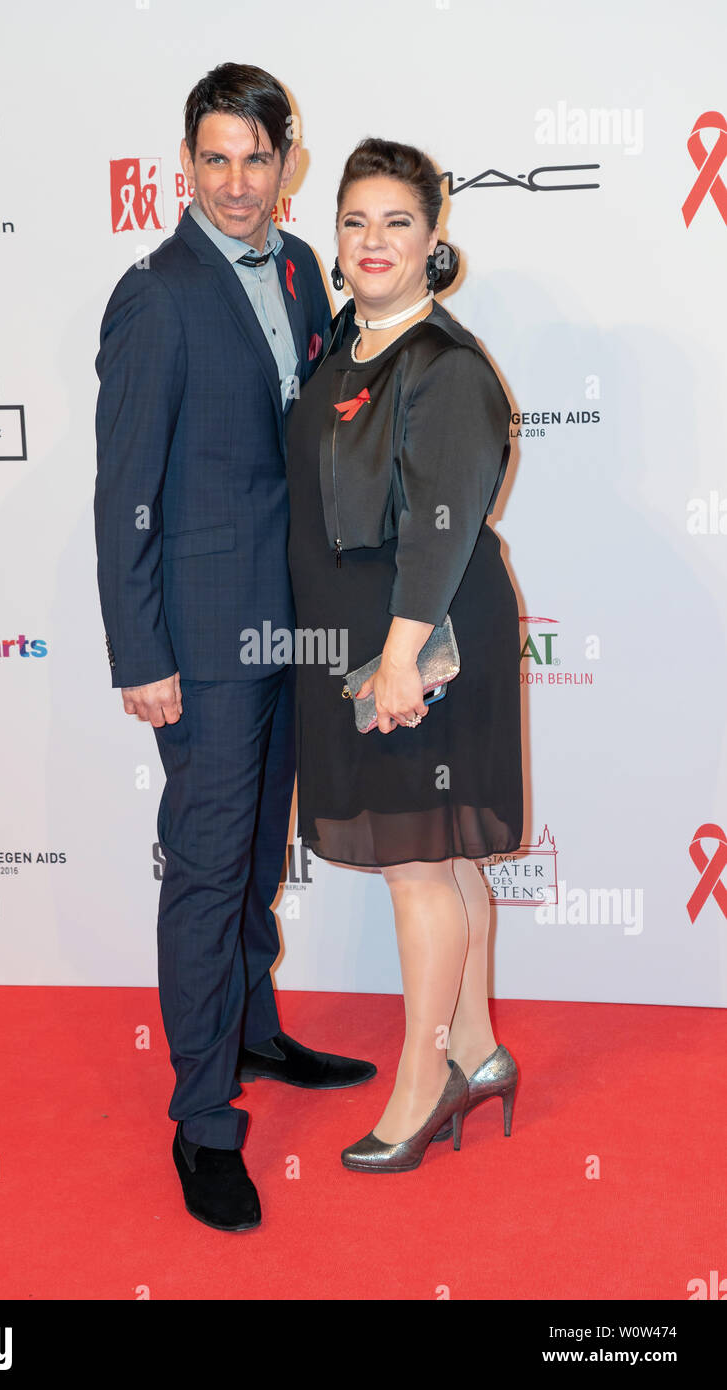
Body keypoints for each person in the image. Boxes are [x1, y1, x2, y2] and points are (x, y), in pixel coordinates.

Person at [93, 65, 376, 1232]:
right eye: (214, 159)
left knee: (261, 848)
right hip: (202, 645)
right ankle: (203, 1120)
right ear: (183, 166)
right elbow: (125, 496)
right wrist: (139, 655)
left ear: (286, 161)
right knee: (207, 874)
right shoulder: (154, 294)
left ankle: (252, 1031)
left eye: (256, 158)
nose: (237, 183)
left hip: (291, 623)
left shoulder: (305, 266)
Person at [285, 137, 523, 1172]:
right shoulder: (345, 342)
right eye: (354, 221)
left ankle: (422, 1081)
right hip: (360, 630)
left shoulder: (444, 366)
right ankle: (474, 1050)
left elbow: (437, 526)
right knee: (447, 853)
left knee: (418, 866)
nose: (372, 241)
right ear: (332, 242)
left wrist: (398, 659)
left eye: (397, 223)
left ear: (435, 243)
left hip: (420, 637)